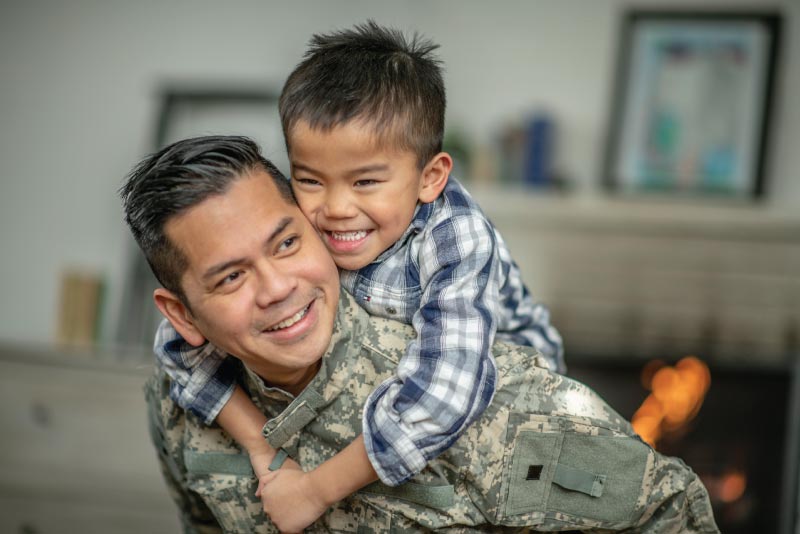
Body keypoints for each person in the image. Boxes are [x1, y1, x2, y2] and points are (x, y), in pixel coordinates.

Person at [122, 135, 719, 533]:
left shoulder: (479, 396)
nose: (277, 287)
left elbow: (671, 512)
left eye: (286, 243)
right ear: (181, 316)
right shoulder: (178, 410)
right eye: (230, 277)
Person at [152, 20, 566, 518]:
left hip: (506, 383)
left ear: (429, 177)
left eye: (366, 181)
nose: (336, 208)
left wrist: (314, 490)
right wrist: (262, 448)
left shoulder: (454, 237)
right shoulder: (304, 222)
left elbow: (444, 392)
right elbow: (178, 344)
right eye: (310, 179)